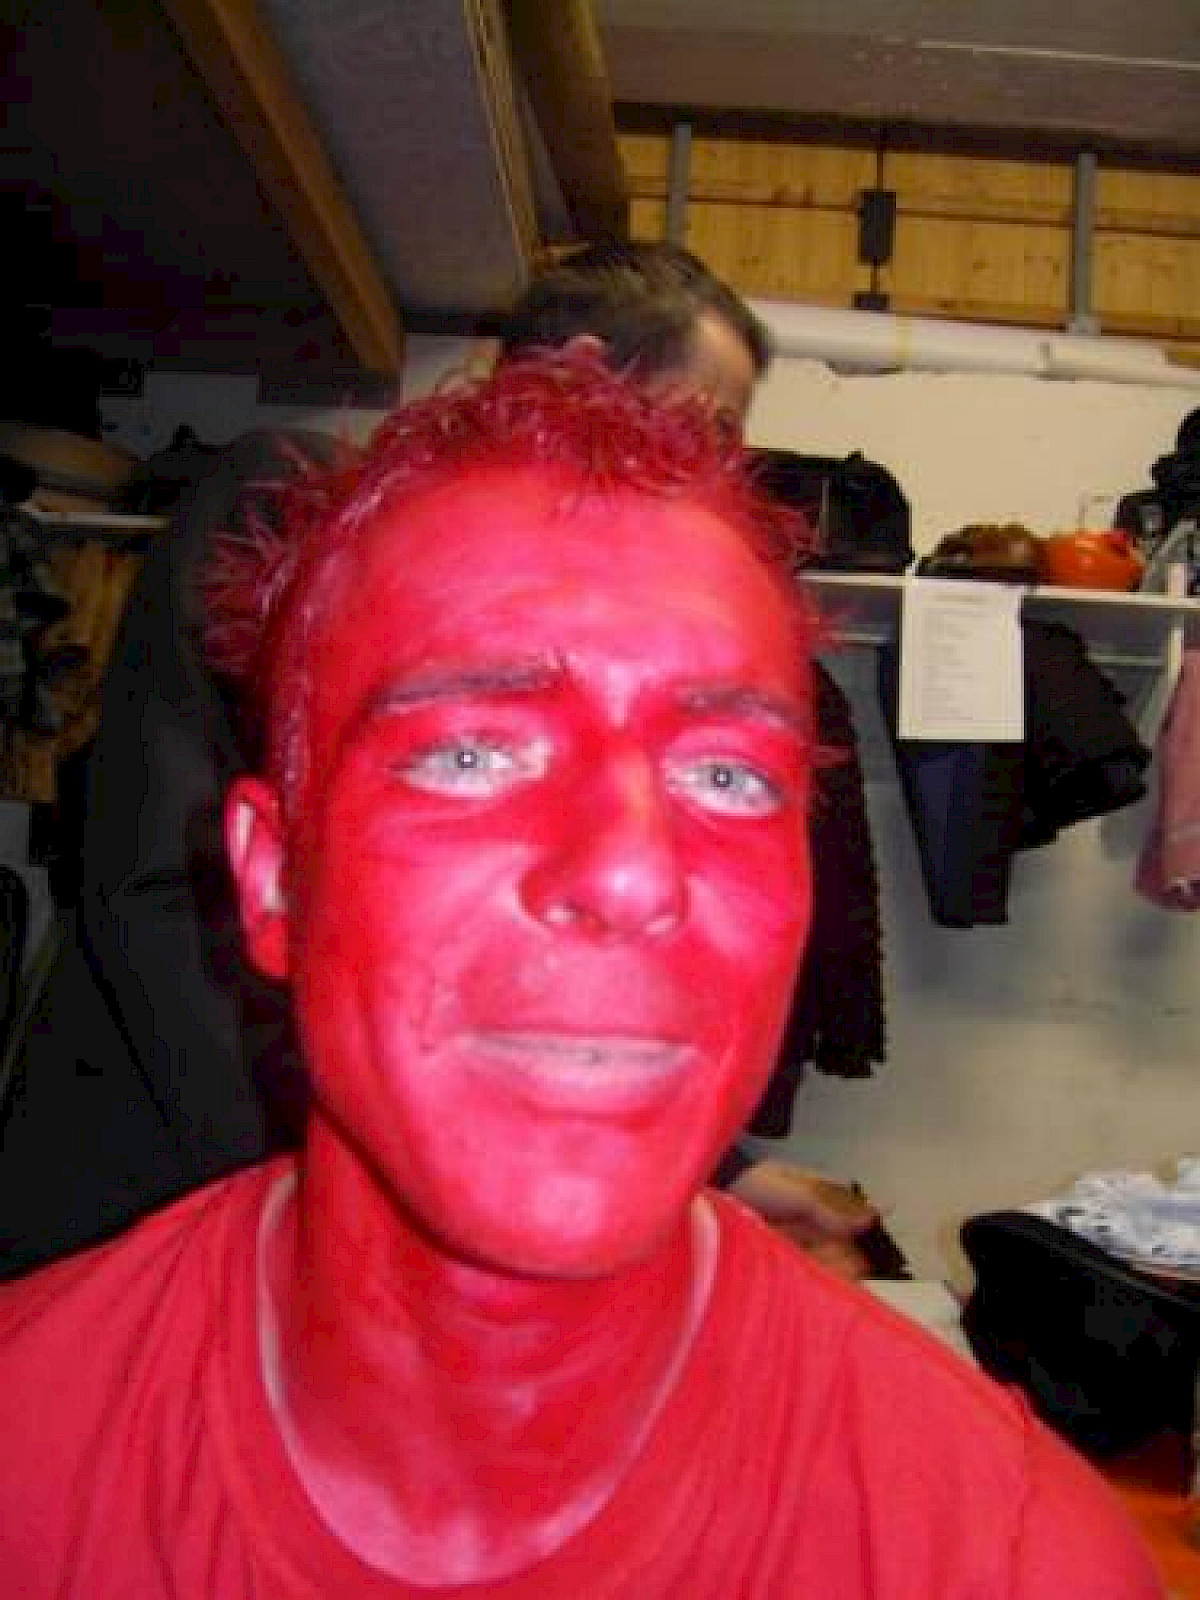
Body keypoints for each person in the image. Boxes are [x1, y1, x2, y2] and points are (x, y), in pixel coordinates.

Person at [0, 353, 1160, 1596]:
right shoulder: (33, 1457)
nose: (629, 871)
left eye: (726, 774)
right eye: (471, 752)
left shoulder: (1011, 1562)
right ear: (275, 880)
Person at [0, 241, 872, 1278]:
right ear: (575, 373)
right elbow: (163, 893)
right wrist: (330, 1212)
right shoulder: (295, 510)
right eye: (708, 426)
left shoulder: (588, 614)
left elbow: (529, 968)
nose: (713, 471)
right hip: (152, 1184)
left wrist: (711, 1174)